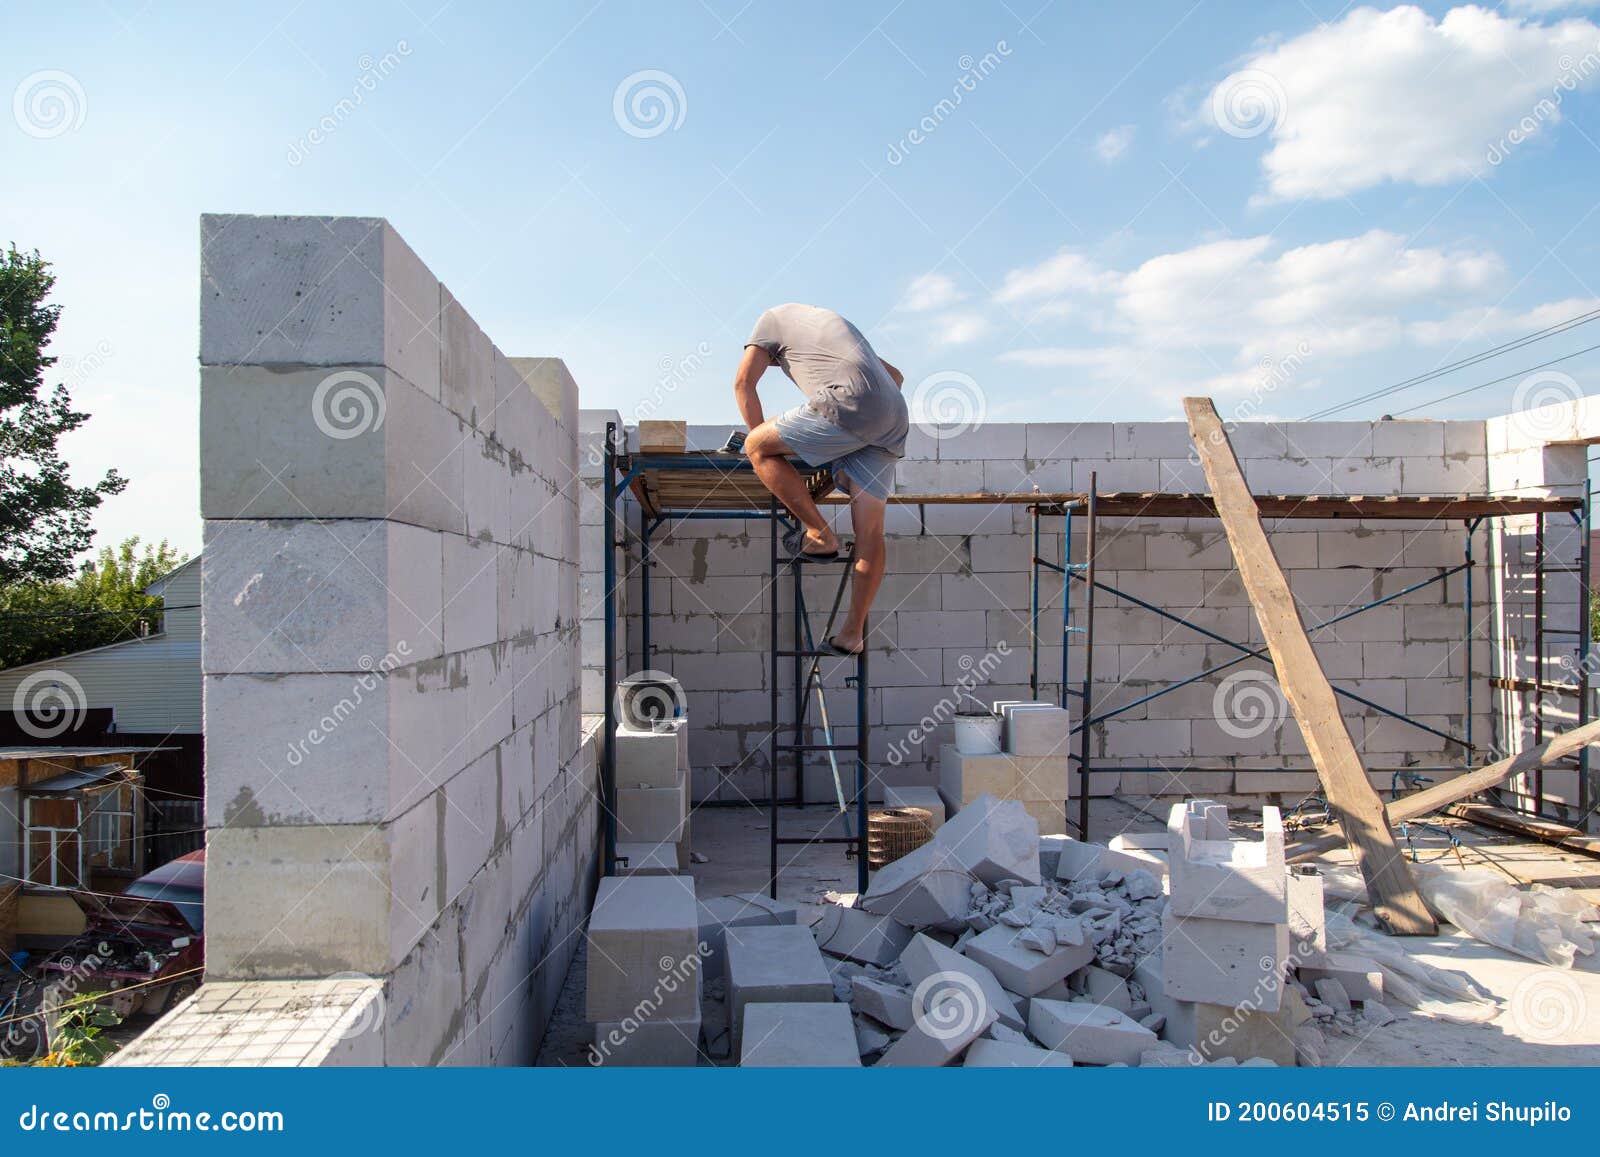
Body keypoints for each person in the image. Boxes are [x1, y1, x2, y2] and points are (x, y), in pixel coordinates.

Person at [734, 303, 908, 657]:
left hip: (849, 403)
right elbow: (896, 377)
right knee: (871, 534)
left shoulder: (770, 320)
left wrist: (764, 441)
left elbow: (743, 383)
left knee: (756, 447)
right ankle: (852, 634)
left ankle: (819, 533)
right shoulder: (828, 327)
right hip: (893, 418)